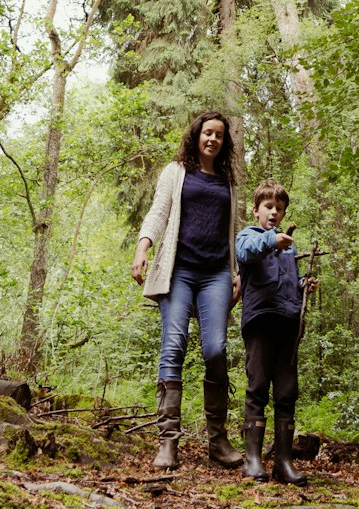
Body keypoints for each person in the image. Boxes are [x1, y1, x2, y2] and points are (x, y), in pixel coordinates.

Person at [131, 112, 244, 472]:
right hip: (178, 271)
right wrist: (142, 249)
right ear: (196, 135)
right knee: (174, 345)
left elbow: (233, 228)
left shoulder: (227, 180)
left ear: (224, 143)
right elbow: (158, 213)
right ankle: (167, 442)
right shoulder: (175, 171)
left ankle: (218, 441)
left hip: (216, 274)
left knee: (215, 349)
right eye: (207, 133)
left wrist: (236, 270)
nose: (212, 139)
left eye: (219, 136)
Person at [235, 180, 317, 485]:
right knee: (257, 386)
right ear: (256, 210)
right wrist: (272, 241)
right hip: (260, 321)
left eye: (279, 209)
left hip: (287, 324)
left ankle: (283, 461)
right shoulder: (249, 237)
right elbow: (246, 254)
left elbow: (285, 282)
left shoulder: (288, 247)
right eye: (268, 207)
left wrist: (302, 287)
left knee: (287, 392)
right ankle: (253, 459)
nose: (273, 212)